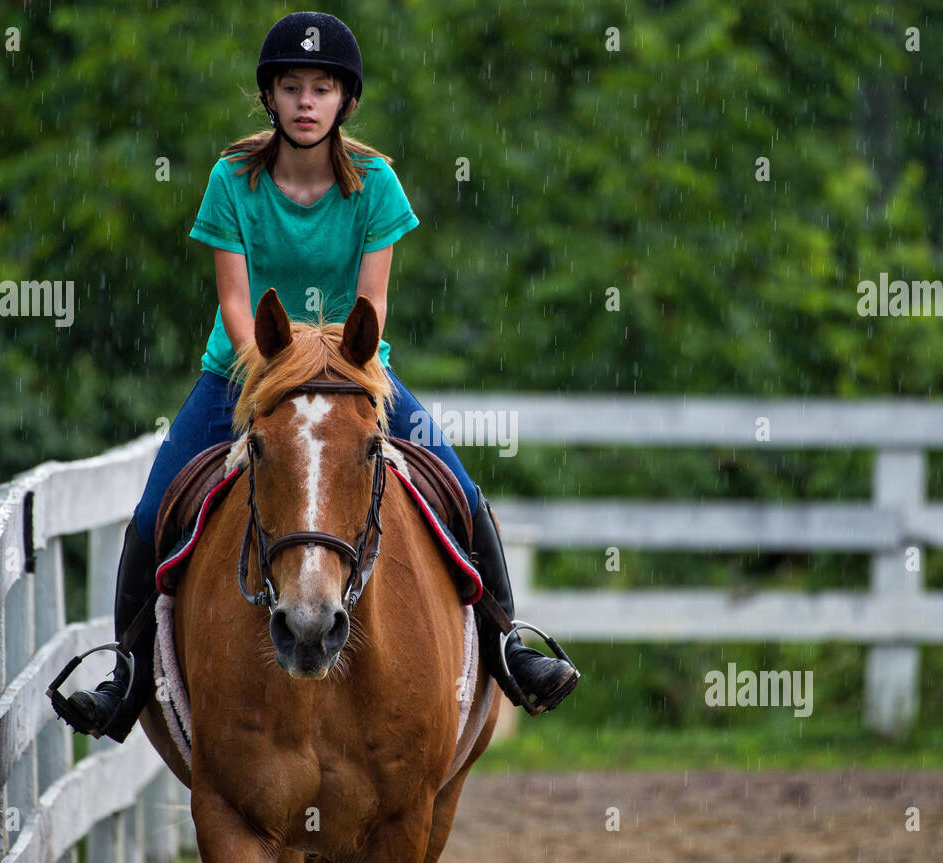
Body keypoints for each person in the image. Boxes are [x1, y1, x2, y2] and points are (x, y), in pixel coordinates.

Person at [52, 11, 577, 743]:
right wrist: (274, 370)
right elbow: (236, 303)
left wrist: (332, 364)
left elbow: (374, 304)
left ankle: (509, 647)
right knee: (149, 516)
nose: (305, 101)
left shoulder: (378, 186)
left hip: (355, 377)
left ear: (344, 102)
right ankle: (126, 674)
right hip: (242, 376)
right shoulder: (232, 179)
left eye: (321, 88)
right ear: (270, 97)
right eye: (291, 87)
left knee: (462, 492)